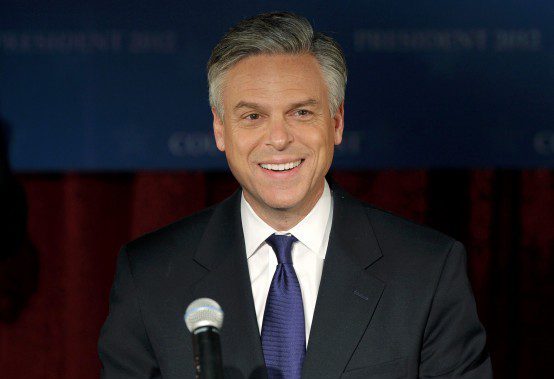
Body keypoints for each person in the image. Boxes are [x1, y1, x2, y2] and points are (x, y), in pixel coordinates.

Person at [98, 12, 492, 378]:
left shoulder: (428, 271)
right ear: (220, 130)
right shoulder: (149, 276)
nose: (279, 138)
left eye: (301, 112)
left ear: (336, 122)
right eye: (253, 116)